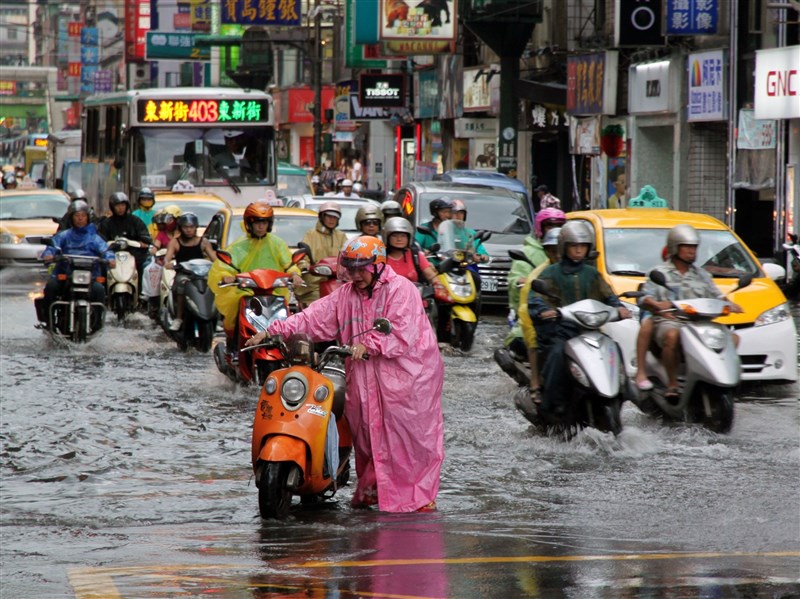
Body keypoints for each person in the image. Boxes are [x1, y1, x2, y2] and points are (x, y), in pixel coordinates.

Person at [246, 236, 444, 513]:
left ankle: (416, 500)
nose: (354, 275)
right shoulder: (346, 294)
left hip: (406, 379)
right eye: (350, 269)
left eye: (360, 269)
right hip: (364, 374)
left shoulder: (401, 290)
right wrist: (271, 331)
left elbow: (401, 331)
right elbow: (312, 317)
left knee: (406, 440)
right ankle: (374, 494)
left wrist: (369, 344)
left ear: (377, 266)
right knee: (367, 435)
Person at [528, 221, 631, 421]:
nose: (578, 250)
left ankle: (622, 392)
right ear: (564, 247)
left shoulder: (592, 274)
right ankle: (553, 402)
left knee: (614, 348)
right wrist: (545, 311)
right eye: (574, 246)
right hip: (561, 331)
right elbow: (535, 298)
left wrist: (619, 307)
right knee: (558, 353)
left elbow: (608, 295)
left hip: (589, 330)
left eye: (582, 246)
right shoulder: (551, 273)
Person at [636, 224, 743, 403]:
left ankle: (721, 378)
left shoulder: (702, 275)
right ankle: (672, 385)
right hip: (670, 321)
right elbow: (644, 297)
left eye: (694, 247)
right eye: (687, 247)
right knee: (672, 335)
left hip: (699, 324)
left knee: (732, 339)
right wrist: (652, 302)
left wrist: (729, 304)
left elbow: (716, 295)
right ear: (674, 248)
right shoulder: (659, 273)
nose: (692, 251)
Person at [208, 202, 304, 354]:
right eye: (257, 222)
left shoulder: (277, 244)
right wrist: (226, 276)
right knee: (234, 314)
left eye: (264, 222)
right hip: (247, 292)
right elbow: (225, 266)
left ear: (269, 224)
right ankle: (233, 348)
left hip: (274, 292)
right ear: (249, 224)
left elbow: (289, 264)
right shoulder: (238, 246)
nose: (261, 226)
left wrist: (295, 274)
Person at [36, 200, 115, 329]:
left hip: (90, 277)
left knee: (99, 290)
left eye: (83, 216)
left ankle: (97, 324)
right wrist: (49, 255)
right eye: (77, 215)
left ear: (88, 218)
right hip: (65, 275)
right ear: (71, 218)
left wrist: (110, 259)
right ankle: (49, 322)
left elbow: (106, 250)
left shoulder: (95, 238)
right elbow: (52, 247)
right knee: (51, 287)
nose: (80, 219)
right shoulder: (63, 236)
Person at [164, 212, 218, 331]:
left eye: (191, 227)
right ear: (181, 228)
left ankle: (216, 317)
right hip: (184, 274)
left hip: (202, 274)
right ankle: (178, 318)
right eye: (186, 227)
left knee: (215, 286)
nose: (189, 230)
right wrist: (168, 263)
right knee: (181, 286)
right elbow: (168, 256)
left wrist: (222, 265)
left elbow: (214, 259)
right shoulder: (175, 242)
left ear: (196, 228)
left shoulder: (203, 241)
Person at [97, 192, 153, 294]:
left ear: (127, 206)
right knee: (100, 266)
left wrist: (144, 241)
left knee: (145, 266)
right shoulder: (106, 223)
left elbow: (144, 235)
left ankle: (142, 293)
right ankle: (103, 293)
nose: (120, 208)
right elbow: (100, 239)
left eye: (123, 205)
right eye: (117, 205)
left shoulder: (135, 221)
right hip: (112, 254)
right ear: (112, 207)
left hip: (133, 254)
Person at [295, 201, 348, 305]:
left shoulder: (341, 236)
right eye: (329, 216)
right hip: (315, 284)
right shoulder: (311, 235)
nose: (332, 220)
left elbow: (348, 255)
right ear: (322, 217)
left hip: (338, 282)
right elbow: (303, 257)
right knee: (314, 308)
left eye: (335, 217)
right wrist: (305, 266)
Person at [383, 216, 438, 285]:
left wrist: (438, 286)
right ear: (387, 237)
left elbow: (431, 276)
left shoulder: (415, 255)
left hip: (414, 294)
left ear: (409, 238)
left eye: (403, 236)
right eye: (394, 235)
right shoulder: (379, 257)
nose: (399, 239)